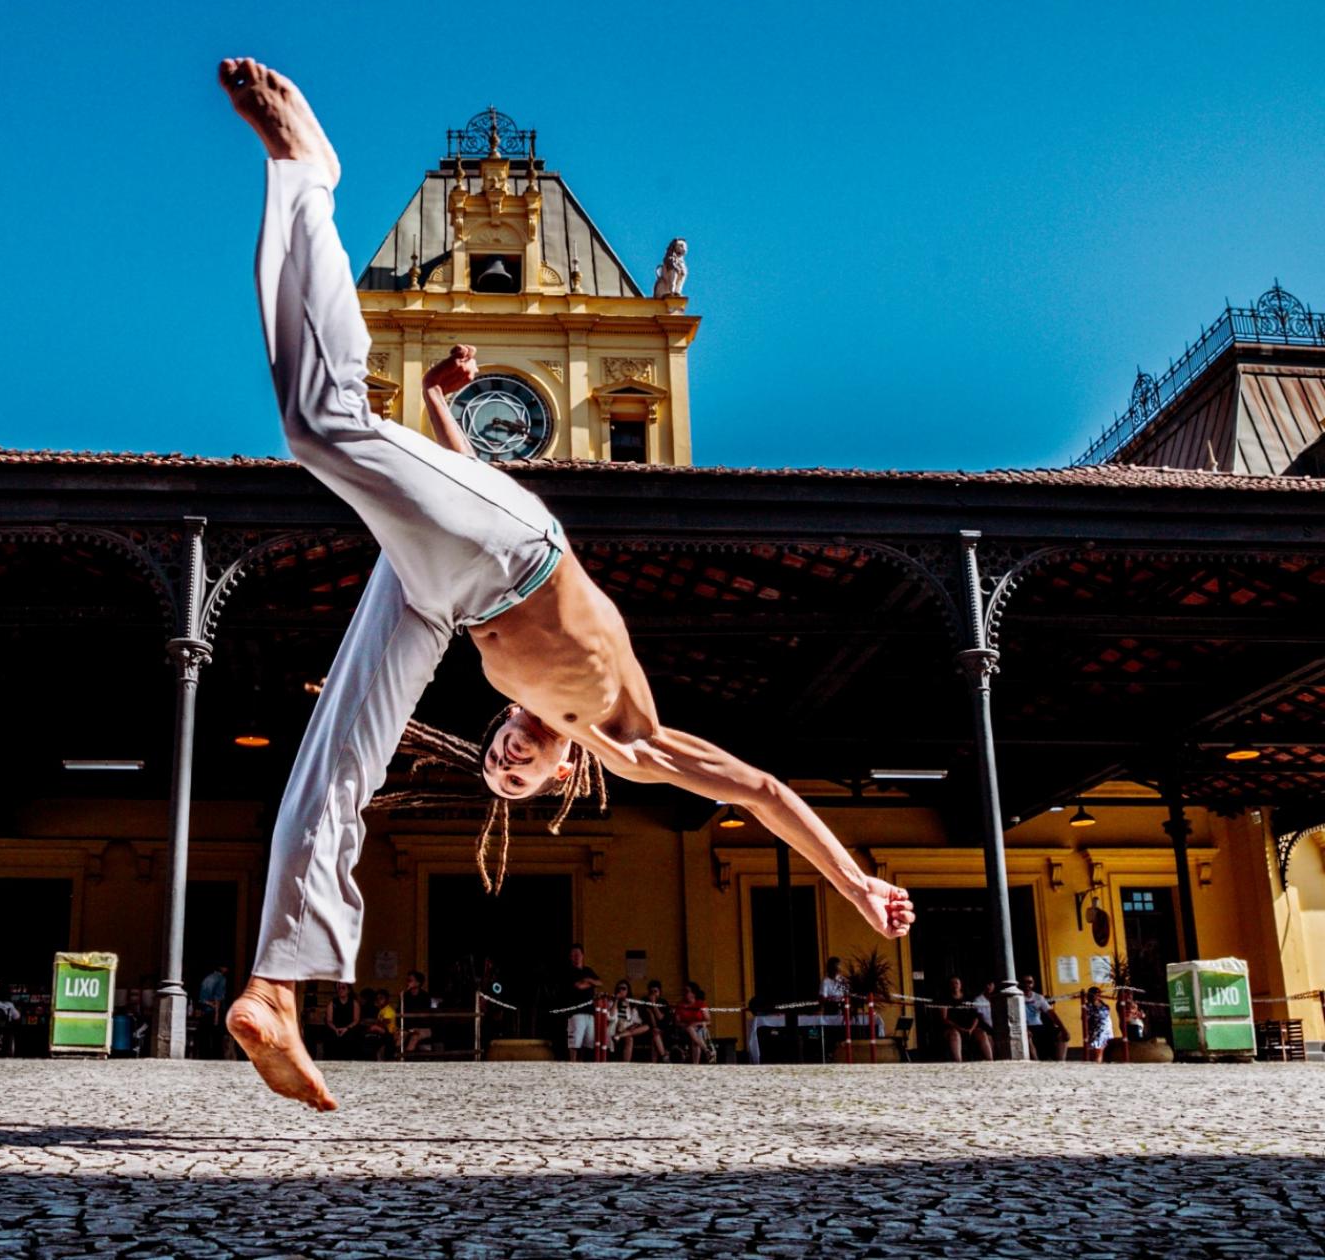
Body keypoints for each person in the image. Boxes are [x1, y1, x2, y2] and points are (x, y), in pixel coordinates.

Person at [216, 57, 914, 1110]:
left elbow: (456, 499)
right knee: (322, 426)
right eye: (513, 764)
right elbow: (763, 791)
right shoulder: (633, 742)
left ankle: (275, 988)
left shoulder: (533, 696)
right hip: (517, 550)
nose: (504, 749)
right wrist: (852, 875)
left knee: (340, 757)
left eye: (495, 761)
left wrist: (448, 416)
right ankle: (308, 170)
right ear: (561, 778)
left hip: (451, 593)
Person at [563, 945, 603, 1062]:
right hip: (576, 1012)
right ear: (571, 957)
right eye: (573, 955)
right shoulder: (569, 971)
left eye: (578, 954)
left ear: (583, 955)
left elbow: (600, 982)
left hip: (590, 1012)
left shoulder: (588, 970)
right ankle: (573, 1064)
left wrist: (588, 980)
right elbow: (579, 986)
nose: (576, 957)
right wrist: (591, 983)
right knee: (575, 1042)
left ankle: (583, 1065)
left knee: (589, 1042)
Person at [940, 976, 991, 1062]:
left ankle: (990, 1060)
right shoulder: (945, 999)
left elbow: (976, 1016)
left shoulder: (968, 998)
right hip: (953, 1028)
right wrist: (960, 1029)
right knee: (955, 1035)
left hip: (969, 1028)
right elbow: (944, 1019)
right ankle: (959, 1062)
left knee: (982, 1033)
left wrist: (971, 1029)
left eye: (956, 983)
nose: (954, 985)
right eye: (952, 983)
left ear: (960, 985)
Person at [1020, 975, 1068, 1061]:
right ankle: (1037, 1064)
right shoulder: (1016, 997)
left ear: (1033, 984)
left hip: (1039, 1026)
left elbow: (1052, 1014)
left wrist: (1064, 1029)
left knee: (1062, 1034)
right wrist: (1025, 1028)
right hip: (1025, 1027)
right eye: (1024, 982)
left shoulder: (1039, 997)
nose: (1027, 985)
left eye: (1029, 982)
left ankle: (1061, 1063)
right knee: (1027, 1036)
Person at [197, 962, 230, 1060]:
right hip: (214, 1012)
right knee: (216, 1039)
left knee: (205, 1038)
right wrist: (217, 1017)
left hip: (205, 1011)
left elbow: (201, 998)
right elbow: (217, 999)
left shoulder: (207, 978)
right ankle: (216, 1058)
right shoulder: (221, 979)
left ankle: (204, 1057)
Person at [609, 981, 648, 1061]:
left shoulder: (631, 1004)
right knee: (628, 1037)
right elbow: (611, 1016)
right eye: (619, 989)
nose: (621, 991)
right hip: (616, 1026)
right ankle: (618, 1035)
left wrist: (633, 1025)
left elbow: (637, 1020)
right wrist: (616, 1000)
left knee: (646, 1027)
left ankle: (619, 1036)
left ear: (628, 991)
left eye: (623, 989)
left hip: (627, 1028)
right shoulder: (612, 1002)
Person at [675, 983, 713, 1064]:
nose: (685, 993)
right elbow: (677, 1022)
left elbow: (708, 1021)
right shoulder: (680, 1005)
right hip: (684, 1031)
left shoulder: (701, 1004)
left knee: (695, 1036)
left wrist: (696, 1024)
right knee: (690, 1029)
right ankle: (706, 1050)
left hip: (699, 1029)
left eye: (687, 991)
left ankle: (696, 1063)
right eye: (684, 991)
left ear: (693, 993)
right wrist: (688, 1025)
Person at [322, 982, 360, 1060]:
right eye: (339, 988)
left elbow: (356, 1020)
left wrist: (347, 1028)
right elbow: (329, 1020)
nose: (341, 990)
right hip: (335, 1029)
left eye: (343, 988)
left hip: (349, 1029)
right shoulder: (332, 1003)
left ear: (348, 990)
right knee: (331, 1038)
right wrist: (335, 1029)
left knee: (352, 1037)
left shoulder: (354, 1003)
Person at [400, 972, 432, 1056]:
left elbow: (425, 1016)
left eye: (410, 980)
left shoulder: (425, 996)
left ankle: (408, 1061)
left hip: (423, 1028)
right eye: (407, 980)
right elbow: (401, 1011)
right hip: (408, 1027)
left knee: (414, 1037)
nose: (408, 982)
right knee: (399, 1036)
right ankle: (397, 1059)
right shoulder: (406, 995)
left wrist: (415, 1028)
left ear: (418, 983)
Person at [639, 980, 671, 1063]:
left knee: (655, 1037)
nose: (653, 994)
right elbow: (645, 1018)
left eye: (655, 991)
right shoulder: (644, 1001)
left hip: (664, 1028)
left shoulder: (663, 1002)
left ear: (660, 992)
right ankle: (664, 1057)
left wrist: (653, 1004)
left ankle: (656, 1062)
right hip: (648, 1028)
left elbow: (660, 1017)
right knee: (655, 1035)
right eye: (651, 992)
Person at [1083, 986, 1113, 1064]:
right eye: (1096, 993)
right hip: (1096, 1030)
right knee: (1098, 1050)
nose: (1098, 995)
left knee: (1106, 1050)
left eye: (1099, 993)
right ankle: (1097, 1065)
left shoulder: (1104, 1005)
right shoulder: (1088, 1006)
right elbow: (1085, 1018)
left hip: (1107, 1029)